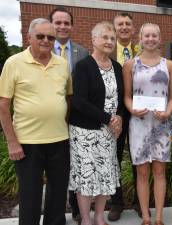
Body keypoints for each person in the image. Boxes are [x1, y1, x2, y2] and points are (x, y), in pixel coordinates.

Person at [0, 18, 71, 225]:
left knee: (58, 194)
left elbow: (68, 97)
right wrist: (12, 142)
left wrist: (60, 122)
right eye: (40, 36)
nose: (46, 40)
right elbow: (3, 106)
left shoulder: (63, 64)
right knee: (30, 196)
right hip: (27, 142)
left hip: (59, 139)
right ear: (29, 37)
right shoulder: (14, 63)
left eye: (50, 37)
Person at [68, 21, 124, 225]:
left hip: (108, 133)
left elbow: (120, 98)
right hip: (85, 132)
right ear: (94, 40)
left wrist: (119, 118)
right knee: (87, 176)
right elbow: (78, 101)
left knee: (105, 174)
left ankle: (99, 216)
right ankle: (85, 219)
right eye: (105, 37)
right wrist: (109, 118)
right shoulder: (83, 66)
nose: (109, 41)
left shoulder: (117, 67)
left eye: (112, 38)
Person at [122, 23, 172, 225]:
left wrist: (169, 112)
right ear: (141, 38)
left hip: (162, 124)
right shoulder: (130, 65)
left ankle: (160, 216)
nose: (151, 39)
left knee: (160, 171)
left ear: (160, 38)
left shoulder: (169, 65)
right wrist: (131, 109)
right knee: (142, 172)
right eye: (147, 35)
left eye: (155, 35)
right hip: (139, 124)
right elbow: (127, 97)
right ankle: (146, 216)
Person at [49, 7, 89, 221]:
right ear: (51, 24)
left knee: (75, 162)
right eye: (58, 22)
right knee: (56, 164)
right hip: (50, 118)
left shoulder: (82, 52)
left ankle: (74, 206)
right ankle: (55, 208)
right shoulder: (42, 48)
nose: (63, 26)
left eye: (66, 23)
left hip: (75, 117)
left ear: (72, 26)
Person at [109, 12, 142, 221]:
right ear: (114, 28)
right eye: (119, 24)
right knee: (115, 159)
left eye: (127, 24)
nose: (123, 27)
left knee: (139, 158)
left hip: (141, 113)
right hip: (115, 115)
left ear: (133, 28)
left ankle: (141, 201)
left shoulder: (142, 51)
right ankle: (117, 202)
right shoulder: (107, 51)